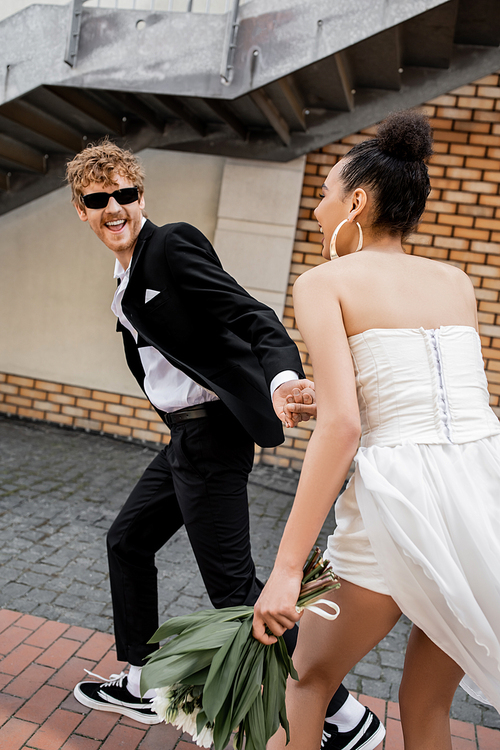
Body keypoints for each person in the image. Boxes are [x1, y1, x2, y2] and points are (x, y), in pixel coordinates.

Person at [64, 140, 381, 749]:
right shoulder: (129, 271)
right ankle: (139, 678)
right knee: (127, 541)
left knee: (236, 593)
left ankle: (345, 717)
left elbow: (252, 317)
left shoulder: (170, 245)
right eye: (97, 199)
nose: (114, 208)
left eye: (124, 195)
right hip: (188, 437)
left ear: (140, 196)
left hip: (211, 437)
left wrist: (283, 380)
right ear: (81, 209)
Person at [252, 109, 500, 750]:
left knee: (306, 679)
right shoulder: (456, 281)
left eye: (325, 196)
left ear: (357, 202)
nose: (316, 212)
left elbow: (342, 426)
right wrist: (333, 392)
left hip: (401, 502)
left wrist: (286, 570)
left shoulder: (324, 281)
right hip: (483, 500)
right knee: (425, 705)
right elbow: (427, 388)